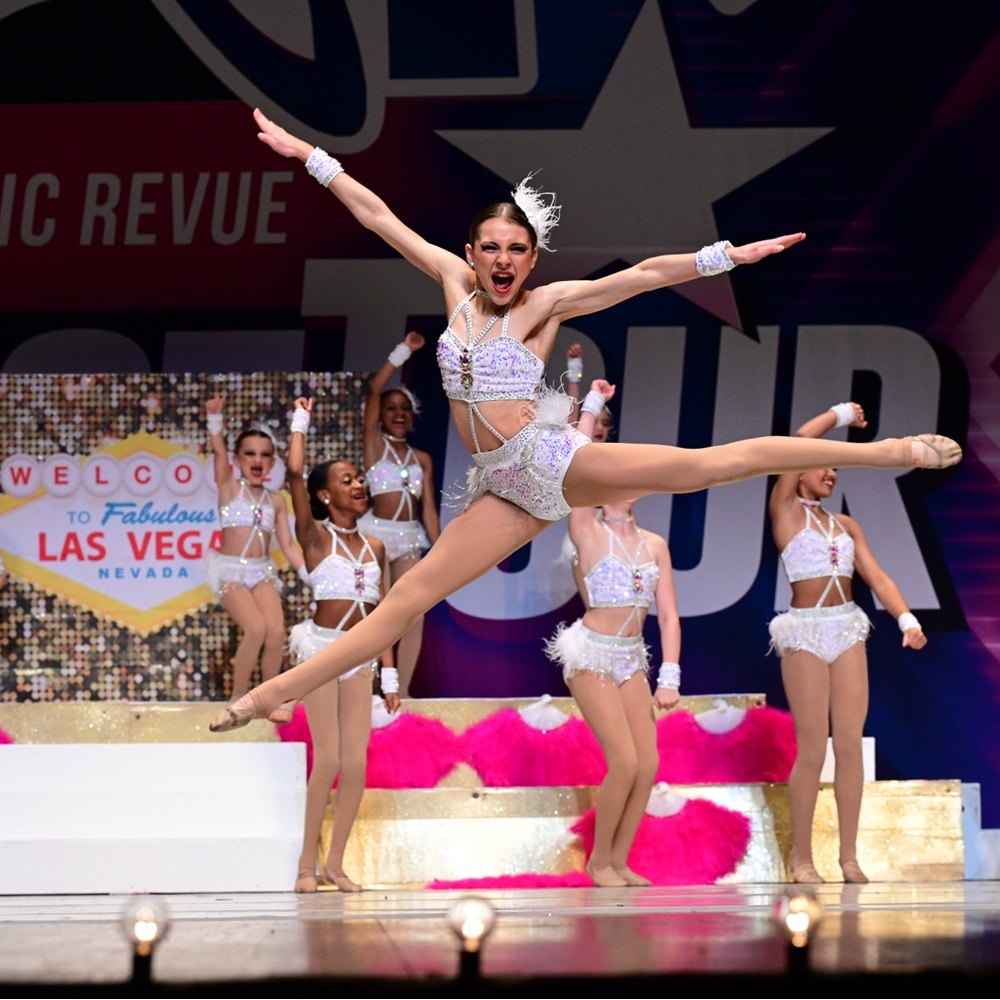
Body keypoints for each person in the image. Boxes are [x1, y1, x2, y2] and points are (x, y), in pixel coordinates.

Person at [208, 108, 961, 733]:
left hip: (550, 459)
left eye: (518, 252)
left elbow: (638, 278)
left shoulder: (545, 303)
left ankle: (892, 447)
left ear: (533, 260)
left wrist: (725, 257)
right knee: (407, 599)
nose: (504, 262)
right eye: (492, 250)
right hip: (500, 489)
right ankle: (274, 692)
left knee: (709, 464)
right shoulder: (450, 281)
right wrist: (309, 155)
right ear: (472, 253)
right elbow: (376, 214)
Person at [768, 402, 930, 885]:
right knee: (813, 745)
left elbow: (877, 578)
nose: (831, 473)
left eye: (837, 467)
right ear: (800, 474)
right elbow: (797, 442)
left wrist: (906, 619)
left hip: (846, 627)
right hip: (805, 633)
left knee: (851, 744)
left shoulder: (846, 526)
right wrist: (838, 414)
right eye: (824, 465)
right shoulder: (785, 513)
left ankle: (849, 856)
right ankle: (801, 857)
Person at [546, 379, 681, 887]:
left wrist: (670, 674)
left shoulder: (655, 544)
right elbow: (576, 464)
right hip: (591, 653)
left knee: (647, 765)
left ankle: (621, 860)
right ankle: (598, 861)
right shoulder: (586, 528)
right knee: (623, 760)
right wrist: (593, 407)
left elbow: (668, 615)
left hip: (632, 656)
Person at [285, 398, 399, 893]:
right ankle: (305, 866)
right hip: (321, 651)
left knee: (356, 763)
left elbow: (386, 617)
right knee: (327, 758)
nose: (359, 484)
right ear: (325, 494)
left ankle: (336, 864)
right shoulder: (313, 538)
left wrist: (389, 676)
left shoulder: (375, 547)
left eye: (359, 478)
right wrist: (300, 422)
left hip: (359, 658)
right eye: (347, 479)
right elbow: (292, 474)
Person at [204, 397, 304, 720]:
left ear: (273, 463)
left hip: (261, 573)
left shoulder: (276, 500)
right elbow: (218, 451)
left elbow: (288, 546)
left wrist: (309, 574)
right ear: (238, 459)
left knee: (276, 632)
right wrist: (214, 419)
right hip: (231, 573)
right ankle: (239, 698)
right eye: (249, 453)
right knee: (256, 629)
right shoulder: (229, 488)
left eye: (264, 455)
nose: (257, 460)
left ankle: (269, 699)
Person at [359, 330, 441, 696]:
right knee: (382, 613)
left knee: (413, 615)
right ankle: (380, 688)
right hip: (376, 535)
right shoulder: (375, 447)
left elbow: (429, 511)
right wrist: (403, 351)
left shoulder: (421, 458)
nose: (397, 414)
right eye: (391, 409)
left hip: (409, 538)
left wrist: (441, 553)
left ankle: (404, 693)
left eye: (403, 409)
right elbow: (373, 391)